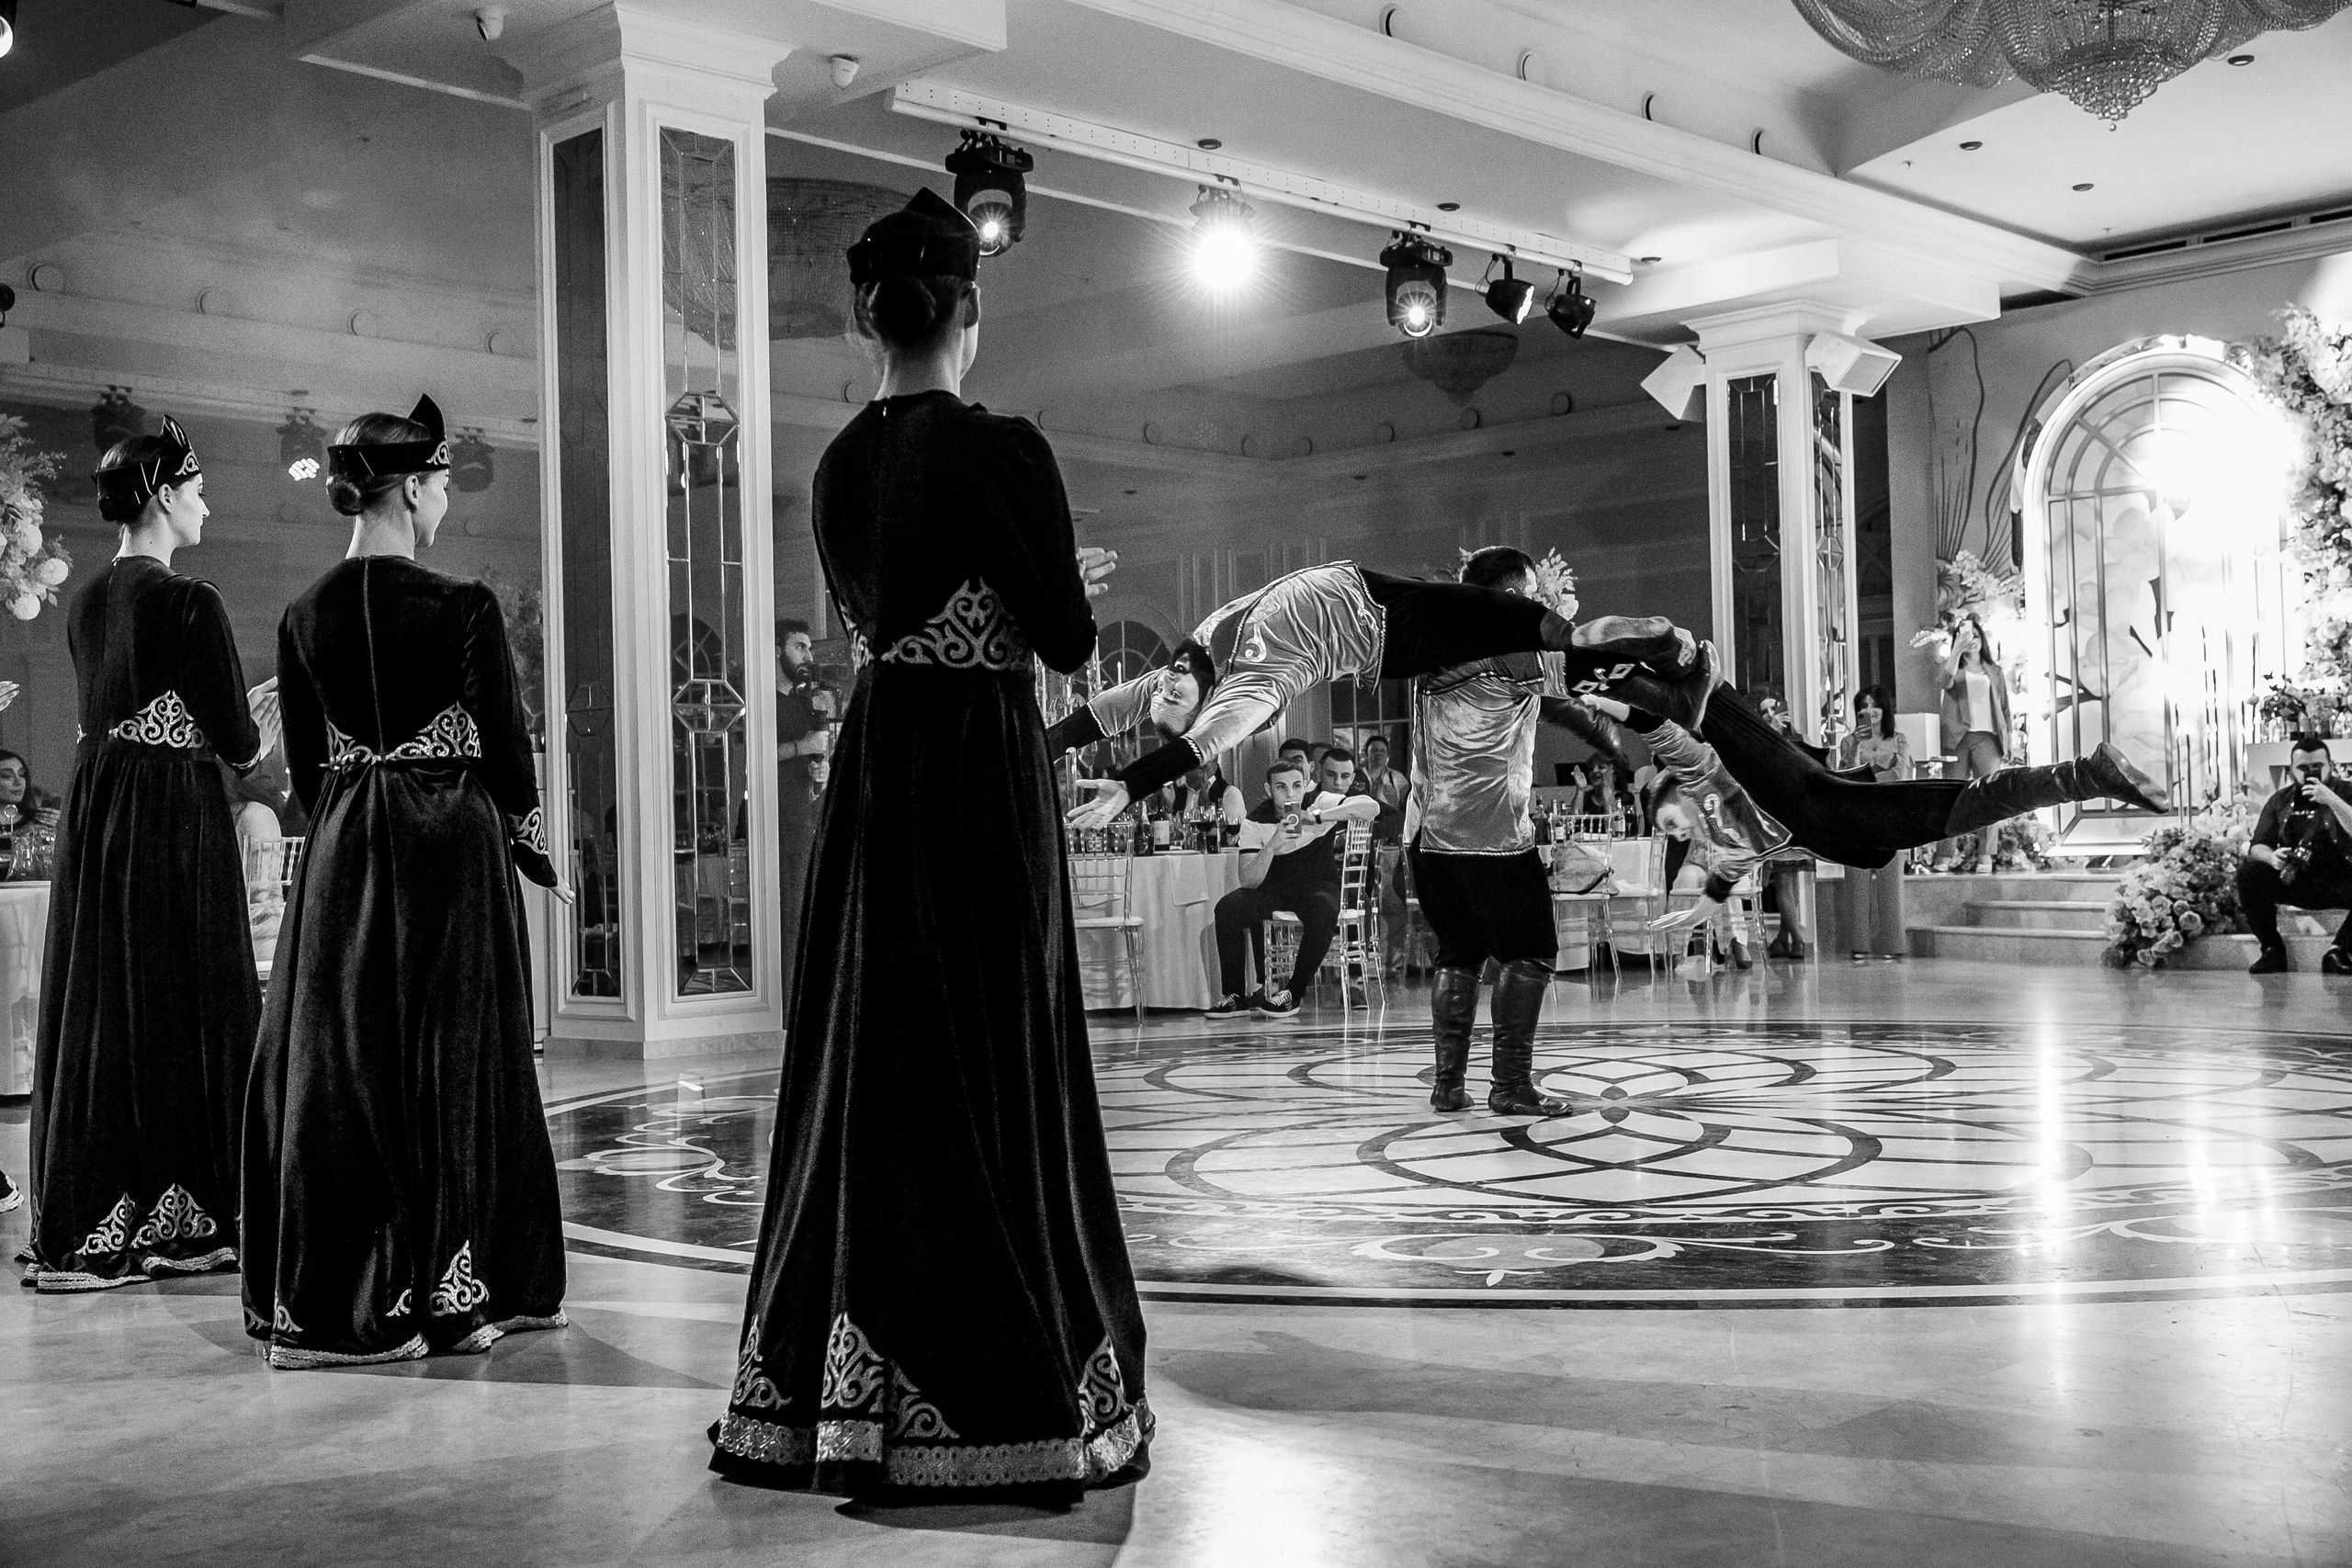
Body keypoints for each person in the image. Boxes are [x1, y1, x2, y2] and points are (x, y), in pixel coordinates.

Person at [713, 189, 1148, 1501]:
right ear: (971, 308)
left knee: (881, 1048)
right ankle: (1000, 1377)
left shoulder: (838, 462)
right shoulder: (1003, 448)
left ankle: (841, 1385)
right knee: (993, 1045)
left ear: (865, 317)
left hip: (878, 762)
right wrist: (1069, 574)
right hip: (977, 763)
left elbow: (884, 599)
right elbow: (1067, 637)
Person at [241, 396, 568, 1368]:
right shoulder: (461, 603)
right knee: (456, 1058)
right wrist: (538, 847)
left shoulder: (302, 613)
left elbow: (301, 767)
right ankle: (463, 1286)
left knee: (349, 1061)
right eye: (439, 489)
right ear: (418, 486)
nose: (444, 508)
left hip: (347, 845)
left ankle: (349, 1295)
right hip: (449, 846)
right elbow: (507, 752)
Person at [25, 415, 275, 1292]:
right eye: (197, 489)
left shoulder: (88, 600)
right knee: (190, 1002)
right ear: (165, 495)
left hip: (99, 815)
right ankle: (192, 1211)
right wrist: (264, 728)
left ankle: (99, 1218)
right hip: (169, 813)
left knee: (104, 1002)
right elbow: (238, 742)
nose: (205, 504)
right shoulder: (189, 600)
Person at [1050, 561, 1707, 828]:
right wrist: (1131, 785)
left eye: (1161, 691)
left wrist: (1040, 741)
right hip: (1395, 632)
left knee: (1548, 635)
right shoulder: (1250, 691)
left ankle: (1673, 687)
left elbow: (1099, 714)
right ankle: (1667, 651)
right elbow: (1197, 745)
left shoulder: (1183, 670)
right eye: (1170, 700)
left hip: (1382, 593)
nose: (1162, 687)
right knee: (1548, 634)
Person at [1581, 649, 2166, 944]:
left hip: (1839, 803)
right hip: (1846, 827)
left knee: (1973, 800)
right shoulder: (1735, 831)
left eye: (1670, 821)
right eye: (1674, 834)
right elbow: (1727, 869)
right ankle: (2086, 776)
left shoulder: (1701, 767)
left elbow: (1652, 723)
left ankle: (2087, 774)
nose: (1678, 833)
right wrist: (1699, 911)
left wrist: (1592, 698)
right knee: (1967, 806)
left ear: (1676, 791)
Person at [1408, 546, 1635, 1116]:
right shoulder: (1514, 657)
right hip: (1493, 836)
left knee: (1458, 954)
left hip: (1432, 839)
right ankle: (1510, 1086)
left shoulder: (1432, 660)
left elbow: (1560, 701)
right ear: (1509, 596)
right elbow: (1587, 677)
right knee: (1529, 952)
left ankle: (1448, 1085)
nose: (1538, 601)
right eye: (1530, 592)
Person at [1206, 754, 1379, 1020]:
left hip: (1318, 884)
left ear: (1306, 784)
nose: (1290, 793)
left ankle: (1292, 993)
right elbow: (1249, 881)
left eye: (1297, 786)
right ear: (1268, 789)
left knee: (1324, 910)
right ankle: (1235, 996)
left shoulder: (1319, 801)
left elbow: (1371, 808)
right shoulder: (1256, 820)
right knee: (1227, 908)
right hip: (1276, 890)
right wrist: (1273, 845)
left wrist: (1318, 817)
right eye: (1281, 787)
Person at [2237, 735, 2352, 975]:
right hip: (2297, 878)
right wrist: (2272, 857)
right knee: (2250, 872)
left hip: (2344, 879)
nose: (2310, 772)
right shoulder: (2280, 800)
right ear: (2291, 770)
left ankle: (2339, 950)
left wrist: (2332, 800)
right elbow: (2258, 845)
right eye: (2302, 767)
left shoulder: (2346, 791)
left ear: (2331, 766)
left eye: (2318, 766)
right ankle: (2272, 950)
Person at [774, 617, 833, 1010]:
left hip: (806, 818)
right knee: (786, 917)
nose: (808, 656)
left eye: (809, 648)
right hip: (773, 820)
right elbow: (750, 760)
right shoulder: (763, 701)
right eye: (799, 647)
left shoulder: (803, 702)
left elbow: (817, 758)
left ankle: (805, 1003)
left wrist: (821, 769)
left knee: (809, 916)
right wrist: (802, 746)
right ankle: (784, 1006)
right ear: (777, 651)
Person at [1837, 683, 1913, 961]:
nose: (1869, 711)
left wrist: (1867, 781)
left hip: (1891, 814)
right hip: (1857, 816)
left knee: (1891, 882)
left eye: (1874, 705)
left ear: (1885, 709)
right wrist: (1855, 745)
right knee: (1856, 881)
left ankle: (1893, 946)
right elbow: (1844, 777)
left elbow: (1900, 774)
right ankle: (1859, 946)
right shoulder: (1848, 742)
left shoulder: (1899, 739)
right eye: (1863, 706)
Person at [1934, 615, 2012, 873]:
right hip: (1957, 739)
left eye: (1975, 636)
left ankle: (1986, 855)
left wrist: (2007, 740)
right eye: (1966, 637)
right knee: (1951, 797)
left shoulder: (1995, 671)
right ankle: (1944, 855)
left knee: (1989, 797)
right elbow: (1942, 683)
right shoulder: (1954, 669)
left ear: (1982, 639)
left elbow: (2004, 708)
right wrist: (1957, 649)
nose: (1972, 641)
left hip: (1988, 738)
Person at [1356, 733, 1410, 844]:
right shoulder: (1357, 777)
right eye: (1375, 750)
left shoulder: (1398, 778)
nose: (1379, 754)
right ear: (1366, 754)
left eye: (1382, 751)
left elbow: (1406, 808)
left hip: (1390, 832)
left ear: (1387, 755)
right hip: (1363, 830)